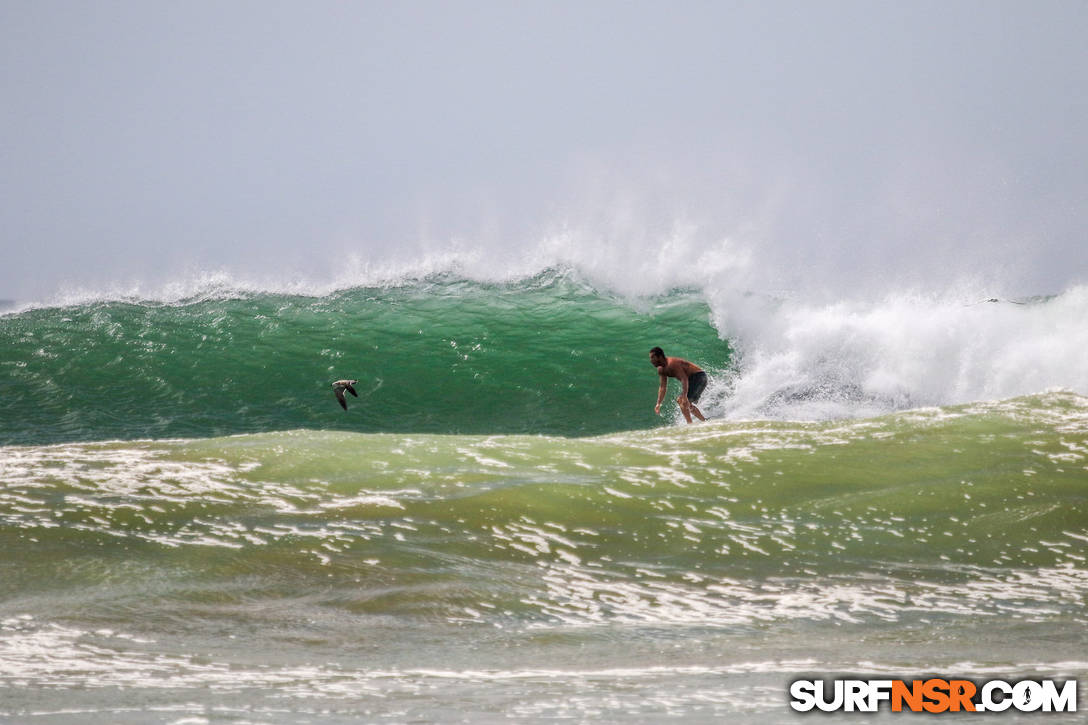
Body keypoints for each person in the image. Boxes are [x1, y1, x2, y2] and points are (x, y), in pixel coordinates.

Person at [649, 346, 707, 423]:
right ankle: (704, 421)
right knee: (684, 403)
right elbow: (663, 387)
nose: (651, 360)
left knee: (682, 400)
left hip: (699, 376)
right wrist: (658, 403)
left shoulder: (672, 364)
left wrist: (684, 395)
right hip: (692, 380)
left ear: (660, 357)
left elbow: (684, 379)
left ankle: (690, 424)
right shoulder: (661, 369)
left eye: (653, 357)